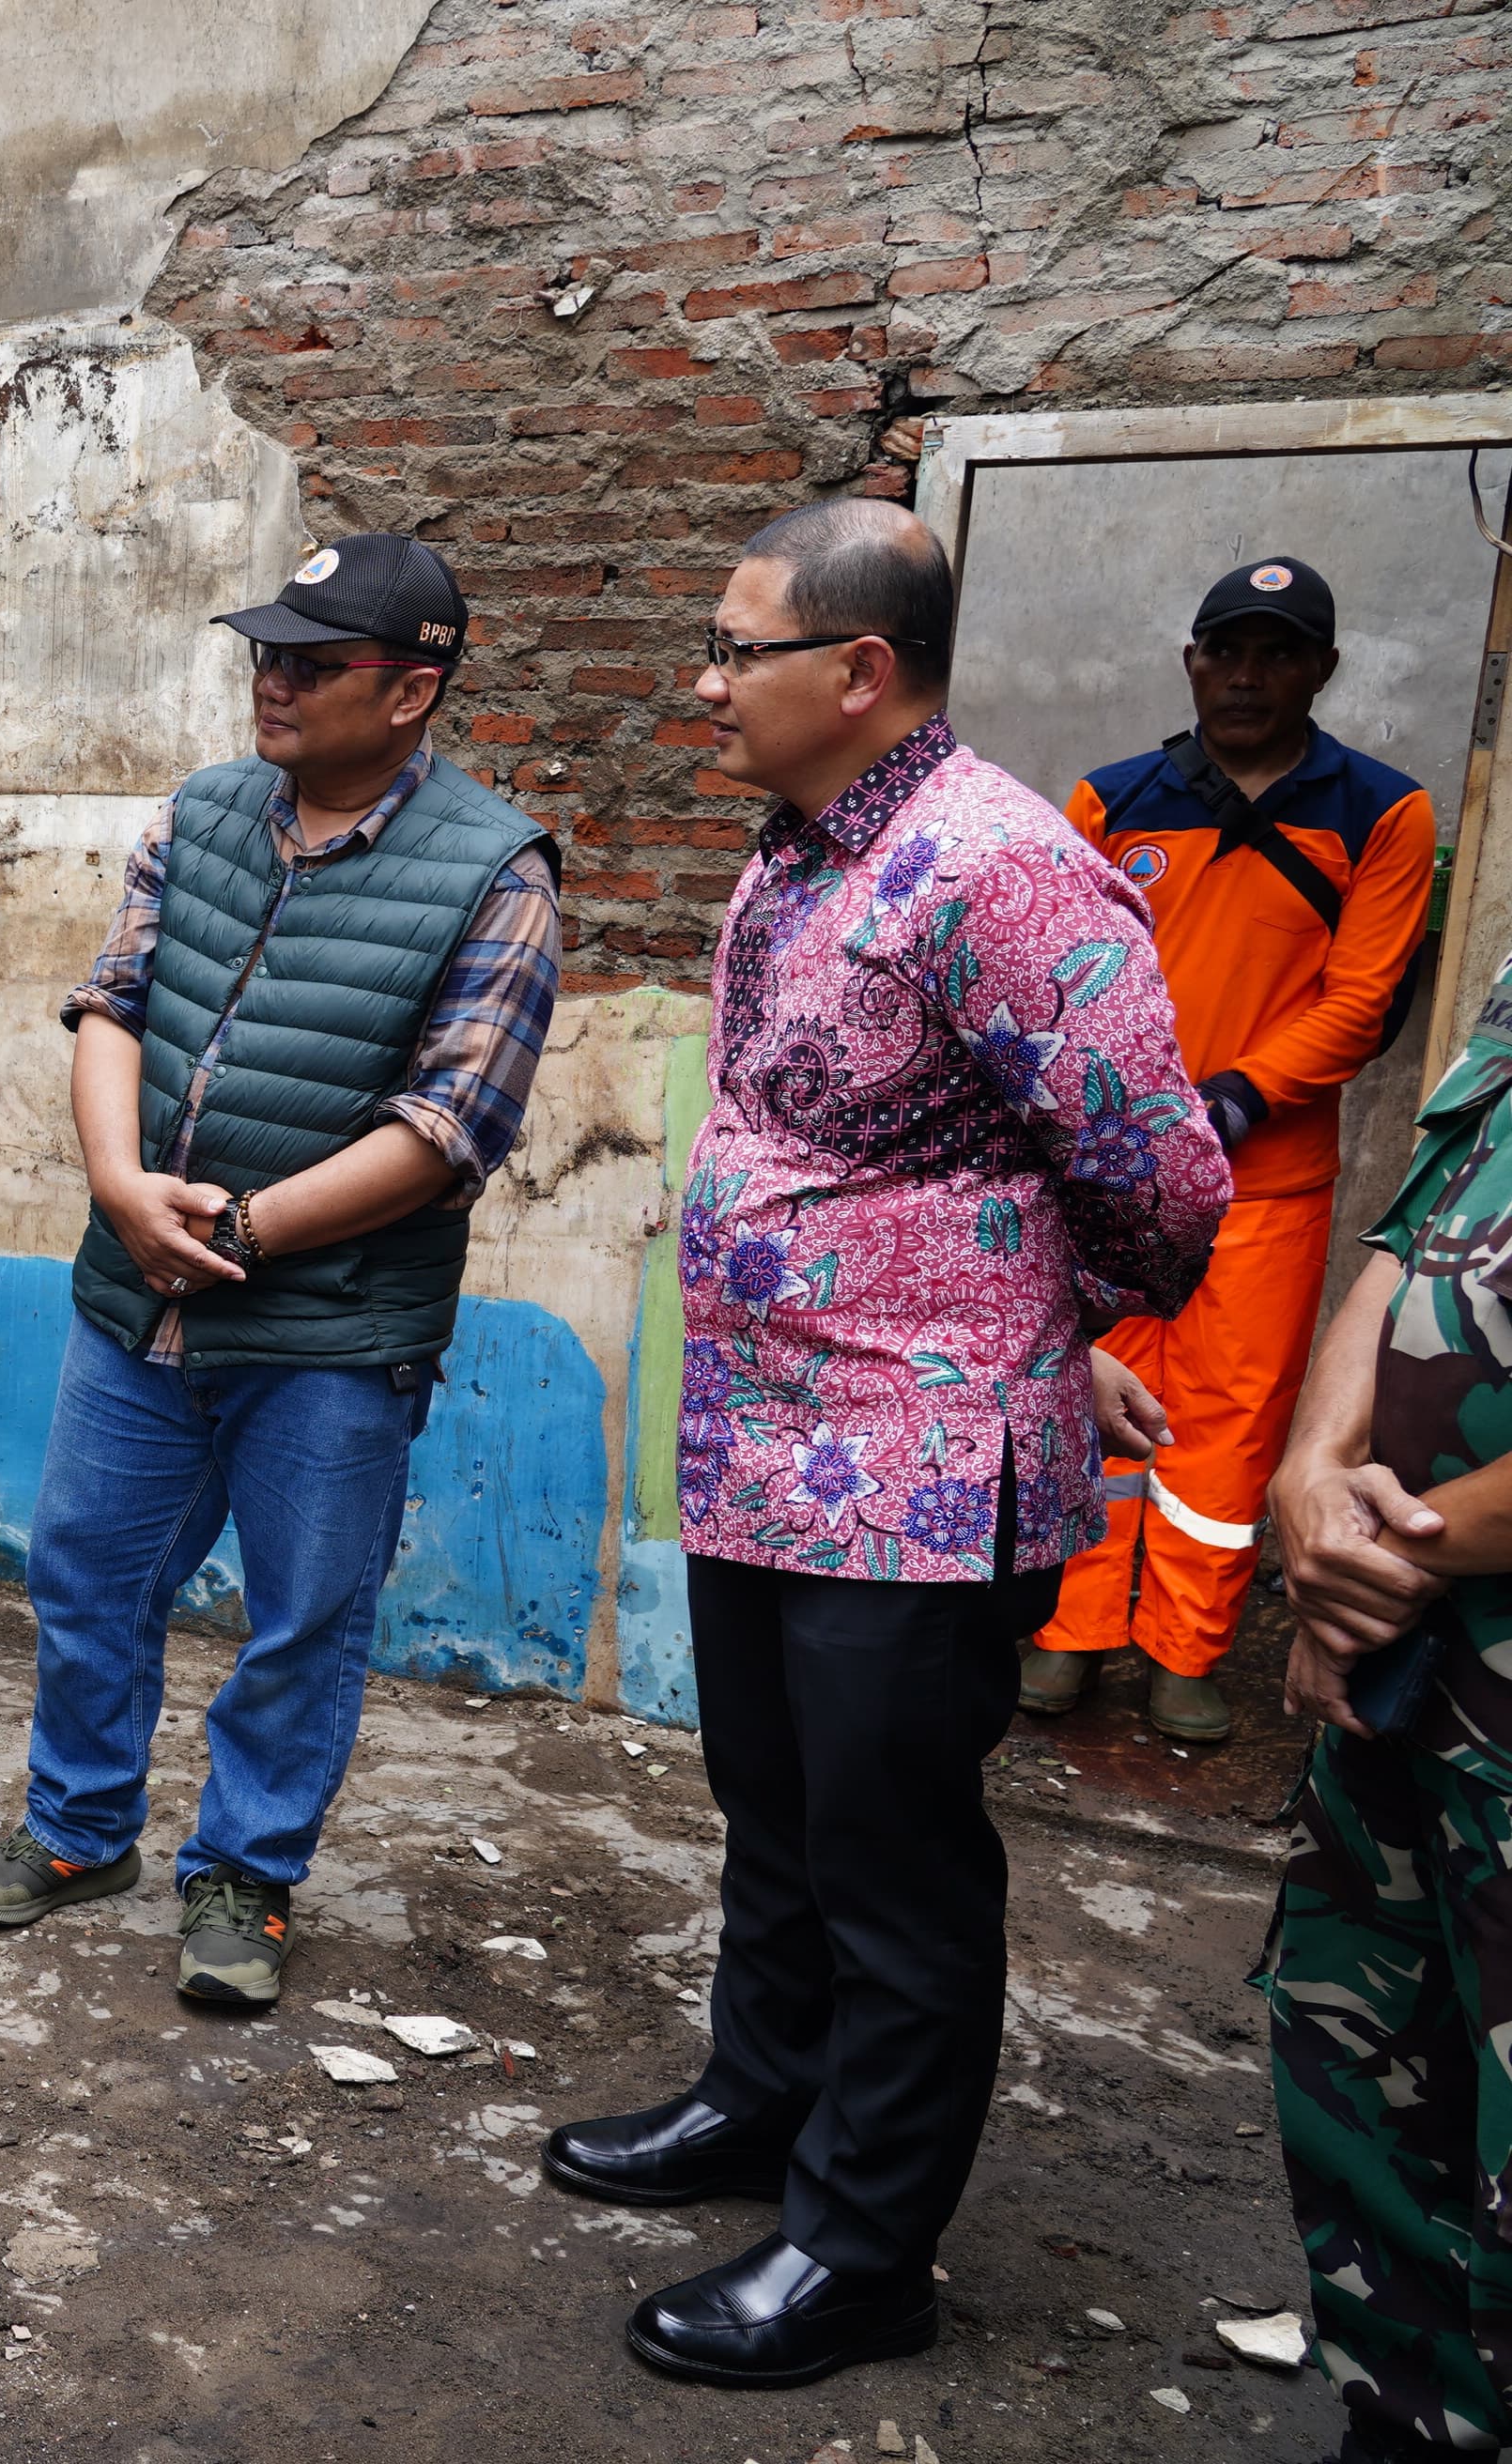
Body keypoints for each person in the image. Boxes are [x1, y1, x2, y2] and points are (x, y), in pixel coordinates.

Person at [538, 501, 1228, 2390]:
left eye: (730, 648)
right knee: (779, 1817)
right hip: (771, 1447)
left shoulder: (997, 867)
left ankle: (863, 2247)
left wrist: (1039, 1327)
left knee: (895, 1867)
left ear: (857, 671)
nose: (699, 685)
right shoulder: (795, 855)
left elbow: (1160, 1173)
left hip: (919, 1479)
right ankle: (760, 2111)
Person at [0, 531, 562, 2008]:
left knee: (302, 1616)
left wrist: (244, 1236)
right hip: (133, 1295)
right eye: (264, 653)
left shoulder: (497, 871)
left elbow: (451, 1126)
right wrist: (119, 1188)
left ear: (411, 691)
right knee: (87, 1573)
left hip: (333, 1333)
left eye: (310, 660)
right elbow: (115, 1004)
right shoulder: (207, 813)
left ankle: (247, 1875)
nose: (271, 682)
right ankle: (81, 1832)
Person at [1025, 555, 1437, 1745]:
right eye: (1227, 650)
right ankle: (1069, 1631)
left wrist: (1238, 1098)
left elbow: (1362, 1002)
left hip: (1267, 1184)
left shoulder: (1380, 810)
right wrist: (1123, 1115)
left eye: (1278, 653)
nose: (1247, 676)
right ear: (1191, 661)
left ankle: (1185, 1650)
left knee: (1231, 1415)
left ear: (1322, 669)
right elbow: (1065, 969)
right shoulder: (1114, 799)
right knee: (1093, 1392)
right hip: (1114, 1174)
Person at [1257, 932, 1512, 2462]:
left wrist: (1404, 1545)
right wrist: (1310, 1477)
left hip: (1440, 1606)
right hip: (1416, 1679)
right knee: (1369, 2058)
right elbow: (1409, 1241)